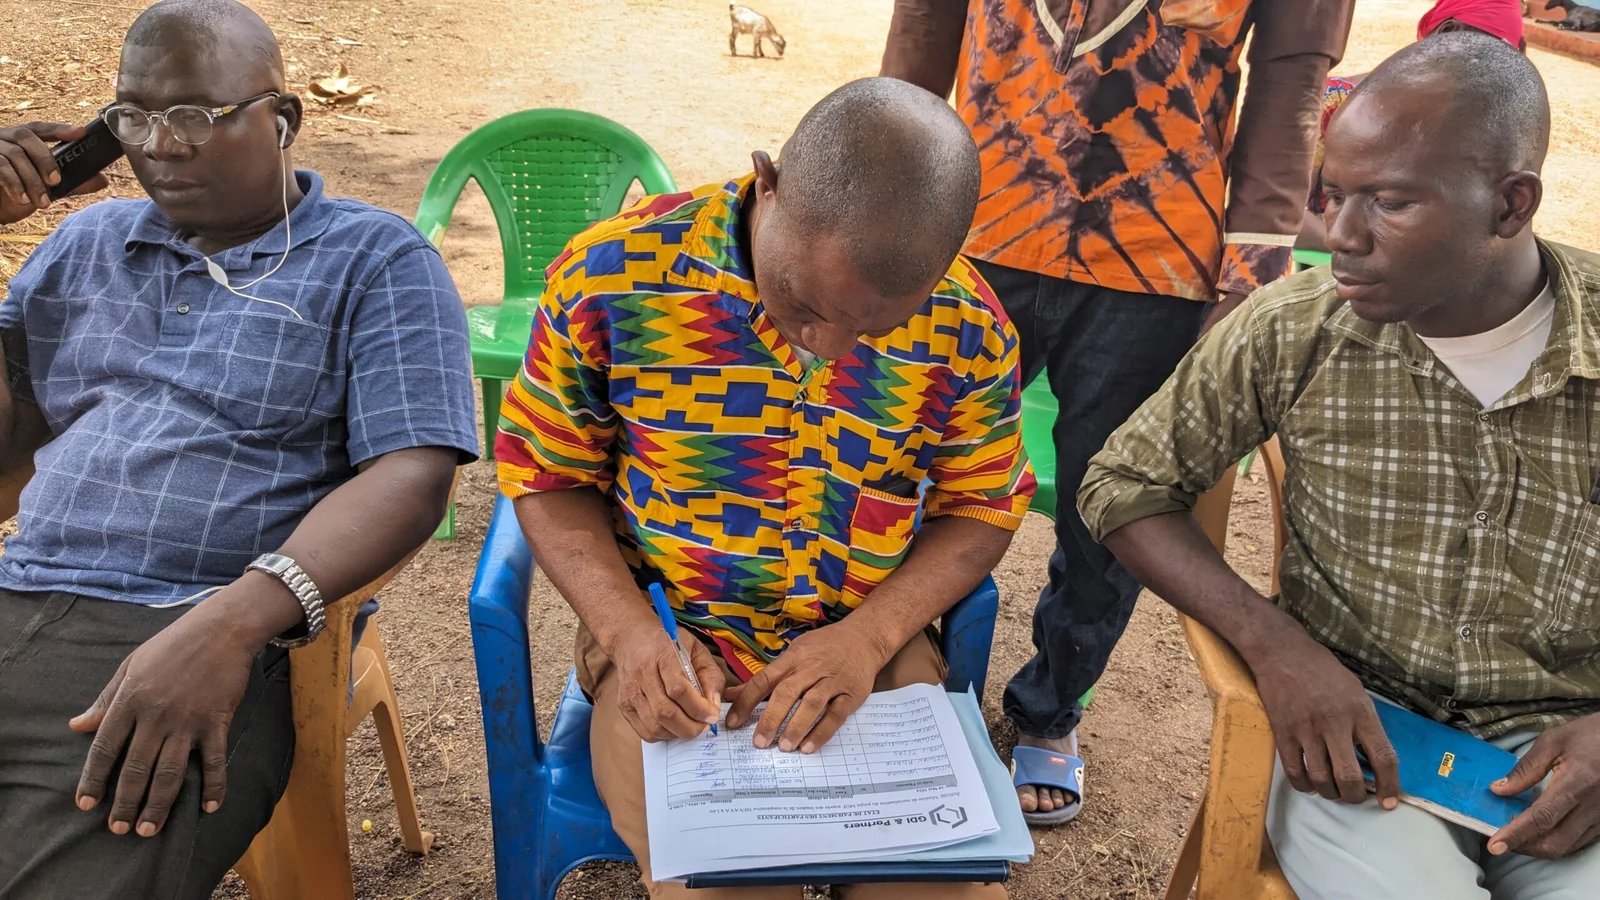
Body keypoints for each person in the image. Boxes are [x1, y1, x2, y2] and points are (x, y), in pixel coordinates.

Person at [1079, 33, 1600, 898]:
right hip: (1359, 734)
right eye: (1333, 196)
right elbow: (1123, 487)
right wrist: (1275, 644)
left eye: (1389, 203)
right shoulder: (1295, 328)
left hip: (1570, 747)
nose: (1341, 237)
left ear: (1511, 205)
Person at [497, 77, 1033, 899]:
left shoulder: (970, 324)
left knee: (944, 890)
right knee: (730, 886)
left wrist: (868, 639)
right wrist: (631, 635)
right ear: (768, 181)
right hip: (671, 652)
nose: (827, 346)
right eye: (803, 304)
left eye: (875, 329)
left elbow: (983, 504)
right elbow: (546, 474)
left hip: (867, 653)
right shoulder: (611, 279)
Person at [0, 1, 479, 896]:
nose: (161, 146)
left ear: (284, 119)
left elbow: (413, 474)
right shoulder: (82, 245)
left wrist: (233, 621)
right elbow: (7, 443)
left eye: (193, 116)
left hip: (195, 630)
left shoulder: (375, 261)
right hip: (22, 592)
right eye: (132, 119)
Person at [880, 0, 1356, 824]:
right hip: (974, 217)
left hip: (1158, 249)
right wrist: (884, 180)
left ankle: (1051, 705)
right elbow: (926, 19)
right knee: (905, 463)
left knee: (1113, 504)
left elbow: (1291, 76)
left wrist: (1252, 259)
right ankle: (903, 674)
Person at [1299, 0, 1526, 251]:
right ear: (1447, 33)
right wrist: (1353, 251)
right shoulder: (1338, 102)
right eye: (1486, 57)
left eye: (1508, 58)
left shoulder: (1485, 129)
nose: (1493, 77)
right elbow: (1284, 211)